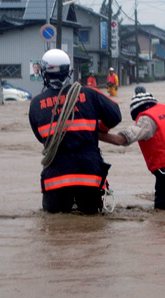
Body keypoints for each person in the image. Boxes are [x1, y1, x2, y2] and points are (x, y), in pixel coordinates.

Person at [29, 49, 122, 214]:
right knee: (91, 228)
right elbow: (115, 115)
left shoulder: (36, 104)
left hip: (55, 180)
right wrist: (98, 130)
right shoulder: (89, 93)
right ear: (69, 71)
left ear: (44, 73)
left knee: (55, 229)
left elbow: (41, 138)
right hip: (89, 177)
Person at [99, 89, 165, 212]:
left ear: (137, 112)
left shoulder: (147, 118)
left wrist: (96, 133)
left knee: (163, 216)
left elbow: (122, 139)